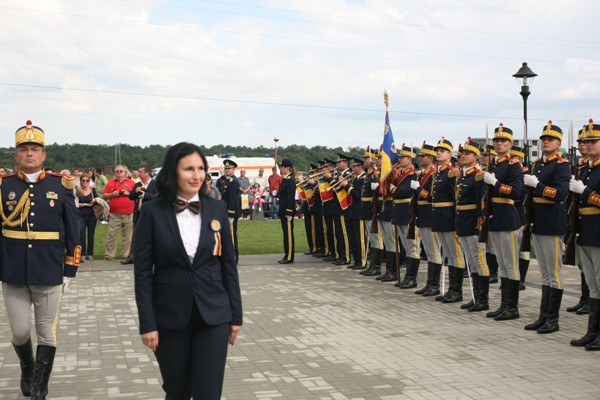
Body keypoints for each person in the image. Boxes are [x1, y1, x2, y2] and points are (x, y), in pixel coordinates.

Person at [134, 142, 243, 398]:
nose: (197, 175)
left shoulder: (216, 208)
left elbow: (229, 266)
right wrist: (147, 323)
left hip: (214, 315)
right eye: (188, 169)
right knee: (177, 390)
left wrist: (236, 315)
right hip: (170, 316)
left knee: (208, 392)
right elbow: (142, 273)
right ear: (173, 172)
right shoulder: (152, 211)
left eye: (201, 168)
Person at [0, 120, 81, 399]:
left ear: (44, 155)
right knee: (21, 331)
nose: (30, 153)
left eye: (35, 149)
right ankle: (26, 365)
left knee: (47, 332)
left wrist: (71, 268)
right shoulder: (4, 185)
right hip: (12, 270)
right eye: (24, 149)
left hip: (48, 269)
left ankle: (40, 386)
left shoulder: (61, 185)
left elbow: (73, 228)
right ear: (17, 155)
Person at [523, 122, 570, 334]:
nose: (545, 142)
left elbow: (560, 194)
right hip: (539, 222)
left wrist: (538, 186)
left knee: (554, 274)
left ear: (559, 143)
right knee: (544, 274)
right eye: (543, 139)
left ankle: (553, 319)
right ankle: (543, 316)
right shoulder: (538, 165)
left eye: (550, 139)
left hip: (552, 222)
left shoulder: (562, 165)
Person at [483, 124, 524, 321]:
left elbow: (516, 192)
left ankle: (512, 307)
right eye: (497, 141)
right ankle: (503, 305)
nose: (499, 144)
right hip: (496, 219)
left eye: (503, 141)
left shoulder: (514, 165)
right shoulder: (495, 165)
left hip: (508, 217)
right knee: (501, 264)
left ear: (511, 144)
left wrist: (496, 184)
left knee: (511, 264)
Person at [569, 119, 600, 350]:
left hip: (598, 232)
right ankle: (592, 332)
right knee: (592, 284)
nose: (587, 145)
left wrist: (586, 192)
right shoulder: (584, 169)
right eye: (585, 142)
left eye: (593, 142)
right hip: (585, 232)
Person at [125, 164, 157, 264]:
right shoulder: (138, 184)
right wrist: (135, 191)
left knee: (153, 237)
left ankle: (152, 258)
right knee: (135, 237)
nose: (138, 173)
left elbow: (159, 197)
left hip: (152, 216)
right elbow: (130, 196)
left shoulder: (156, 184)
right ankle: (132, 257)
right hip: (139, 215)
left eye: (140, 171)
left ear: (147, 173)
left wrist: (145, 195)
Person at [102, 165, 135, 261]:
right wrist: (112, 194)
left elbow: (136, 195)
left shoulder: (131, 183)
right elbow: (104, 196)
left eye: (121, 171)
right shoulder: (110, 183)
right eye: (117, 171)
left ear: (125, 173)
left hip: (129, 212)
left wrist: (127, 194)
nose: (119, 173)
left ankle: (126, 255)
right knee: (112, 235)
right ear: (115, 173)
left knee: (128, 236)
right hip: (114, 213)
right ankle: (109, 255)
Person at [216, 159, 241, 263]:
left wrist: (231, 213)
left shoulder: (234, 181)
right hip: (222, 212)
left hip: (231, 212)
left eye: (229, 168)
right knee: (223, 236)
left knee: (231, 236)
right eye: (226, 168)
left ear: (234, 169)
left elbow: (233, 199)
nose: (227, 170)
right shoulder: (221, 180)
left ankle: (233, 257)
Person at [76, 172, 99, 261]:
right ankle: (82, 254)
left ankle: (90, 254)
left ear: (89, 181)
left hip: (92, 216)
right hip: (81, 216)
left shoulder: (92, 190)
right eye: (83, 180)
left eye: (87, 180)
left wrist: (94, 200)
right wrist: (85, 204)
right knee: (81, 235)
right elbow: (75, 203)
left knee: (91, 235)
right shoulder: (78, 190)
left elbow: (98, 199)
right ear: (80, 181)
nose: (85, 182)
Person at [277, 159, 296, 264]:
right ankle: (286, 254)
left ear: (287, 168)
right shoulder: (285, 179)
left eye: (282, 167)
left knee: (288, 234)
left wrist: (289, 211)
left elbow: (290, 197)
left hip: (287, 211)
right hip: (283, 210)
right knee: (286, 234)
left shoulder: (290, 180)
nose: (281, 169)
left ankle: (289, 256)